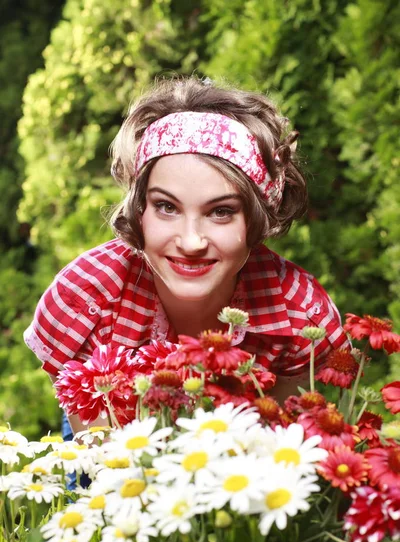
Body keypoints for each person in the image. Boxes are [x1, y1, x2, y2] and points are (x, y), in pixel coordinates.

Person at [24, 76, 349, 440]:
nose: (191, 241)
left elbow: (283, 451)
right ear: (139, 210)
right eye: (166, 206)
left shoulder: (298, 315)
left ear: (258, 219)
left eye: (221, 211)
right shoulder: (85, 299)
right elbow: (104, 470)